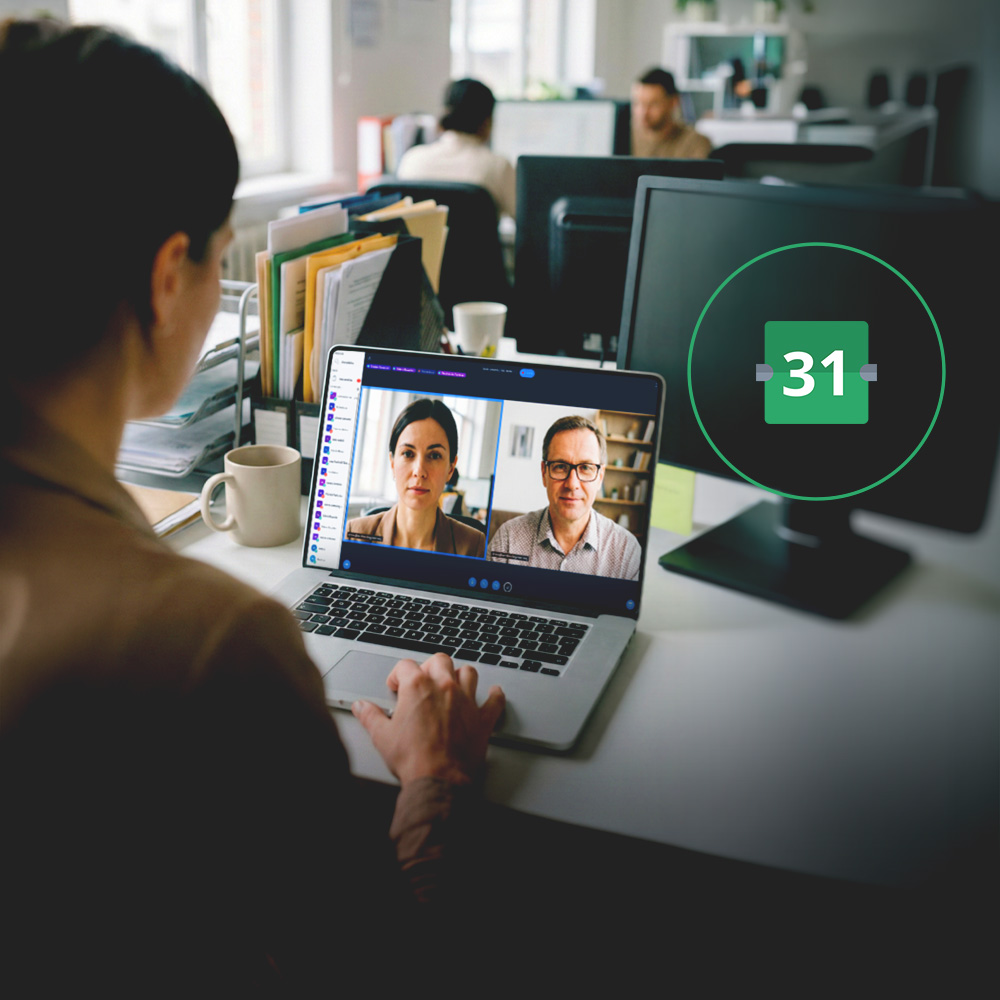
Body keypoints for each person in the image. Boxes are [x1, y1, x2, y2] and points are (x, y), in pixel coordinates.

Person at [0, 18, 503, 992]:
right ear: (165, 275)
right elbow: (381, 970)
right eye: (223, 259)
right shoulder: (212, 642)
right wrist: (435, 782)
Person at [487, 416, 642, 581]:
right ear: (544, 473)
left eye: (585, 468)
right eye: (560, 467)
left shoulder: (626, 552)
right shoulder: (508, 539)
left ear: (600, 477)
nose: (572, 484)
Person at [345, 397, 485, 556]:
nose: (419, 471)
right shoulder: (354, 535)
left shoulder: (474, 546)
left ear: (451, 468)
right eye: (408, 454)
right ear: (392, 463)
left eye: (434, 456)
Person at [397, 77, 516, 218]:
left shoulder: (412, 158)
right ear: (487, 121)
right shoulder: (498, 165)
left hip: (427, 241)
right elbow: (528, 222)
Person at [631, 67, 712, 159]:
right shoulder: (622, 137)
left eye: (653, 104)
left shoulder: (695, 143)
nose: (643, 113)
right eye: (638, 103)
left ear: (673, 102)